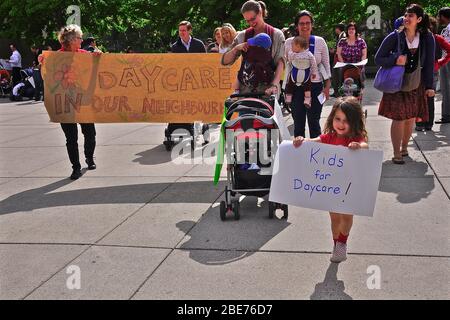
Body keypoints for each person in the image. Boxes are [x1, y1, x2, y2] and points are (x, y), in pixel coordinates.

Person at [293, 97, 368, 263]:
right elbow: (312, 142)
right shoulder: (329, 137)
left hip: (349, 186)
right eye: (338, 119)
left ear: (354, 122)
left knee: (346, 217)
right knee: (334, 218)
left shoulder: (356, 137)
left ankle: (342, 242)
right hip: (331, 186)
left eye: (346, 121)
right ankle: (336, 245)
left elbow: (365, 146)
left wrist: (358, 146)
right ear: (332, 118)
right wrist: (301, 140)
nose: (341, 124)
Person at [375, 4, 435, 165]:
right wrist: (395, 59)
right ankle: (396, 153)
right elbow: (378, 59)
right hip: (397, 83)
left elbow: (429, 63)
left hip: (416, 83)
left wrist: (430, 86)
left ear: (419, 19)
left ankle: (404, 148)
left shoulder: (427, 37)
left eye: (411, 16)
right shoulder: (395, 36)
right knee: (399, 118)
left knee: (410, 118)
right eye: (406, 15)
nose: (406, 18)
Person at [41, 24, 101, 179]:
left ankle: (89, 157)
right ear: (72, 40)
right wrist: (43, 61)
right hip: (65, 102)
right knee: (71, 137)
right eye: (80, 38)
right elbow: (48, 75)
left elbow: (98, 66)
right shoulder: (56, 57)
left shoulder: (84, 54)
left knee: (90, 133)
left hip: (83, 101)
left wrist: (98, 57)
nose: (82, 40)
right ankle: (76, 167)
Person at [221, 0, 285, 96]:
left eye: (253, 19)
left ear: (260, 12)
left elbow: (281, 63)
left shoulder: (276, 35)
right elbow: (224, 61)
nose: (251, 23)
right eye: (247, 21)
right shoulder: (242, 36)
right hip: (245, 92)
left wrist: (274, 85)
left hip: (268, 92)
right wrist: (236, 49)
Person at [286, 10, 332, 139]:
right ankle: (299, 155)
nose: (305, 26)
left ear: (312, 25)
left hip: (316, 86)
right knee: (298, 124)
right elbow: (287, 65)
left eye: (308, 23)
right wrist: (285, 88)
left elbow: (326, 65)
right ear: (297, 26)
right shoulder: (289, 42)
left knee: (314, 122)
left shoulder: (320, 41)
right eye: (301, 23)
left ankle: (315, 155)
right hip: (296, 87)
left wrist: (327, 87)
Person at [416, 15, 450, 131]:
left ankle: (421, 123)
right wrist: (441, 62)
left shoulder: (421, 37)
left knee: (420, 97)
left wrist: (441, 62)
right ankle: (428, 123)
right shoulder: (436, 38)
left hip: (422, 71)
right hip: (433, 69)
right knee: (429, 97)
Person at [284, 36, 318, 108]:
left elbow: (289, 60)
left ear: (298, 46)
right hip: (303, 75)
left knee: (290, 84)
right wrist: (314, 72)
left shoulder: (294, 54)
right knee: (307, 87)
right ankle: (307, 99)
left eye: (292, 45)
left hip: (298, 74)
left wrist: (314, 72)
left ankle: (290, 97)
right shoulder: (309, 54)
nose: (291, 48)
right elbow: (313, 64)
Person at [336, 22, 367, 90]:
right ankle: (341, 89)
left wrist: (361, 64)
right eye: (349, 29)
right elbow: (338, 53)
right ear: (347, 30)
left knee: (358, 86)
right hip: (345, 66)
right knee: (343, 85)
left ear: (356, 30)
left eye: (353, 29)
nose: (351, 30)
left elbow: (364, 54)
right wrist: (343, 63)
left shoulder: (361, 41)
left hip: (358, 66)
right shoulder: (342, 41)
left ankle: (359, 90)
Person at [435, 7, 450, 124]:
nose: (437, 18)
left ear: (444, 16)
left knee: (446, 87)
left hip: (447, 60)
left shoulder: (448, 30)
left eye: (439, 16)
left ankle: (447, 115)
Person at [330, 23, 346, 97]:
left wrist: (335, 50)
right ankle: (336, 91)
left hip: (339, 59)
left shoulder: (343, 35)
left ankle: (338, 92)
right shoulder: (340, 35)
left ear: (338, 28)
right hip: (337, 58)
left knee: (338, 75)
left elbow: (343, 47)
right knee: (336, 75)